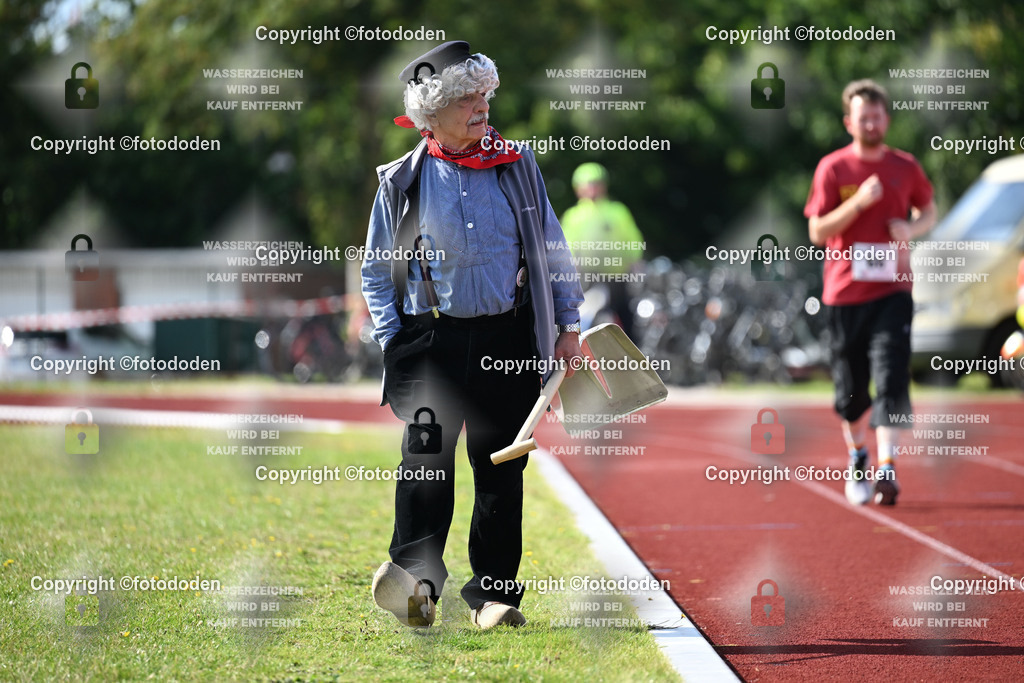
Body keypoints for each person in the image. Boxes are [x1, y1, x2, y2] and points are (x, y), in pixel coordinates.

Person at [360, 41, 584, 629]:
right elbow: (376, 270)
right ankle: (415, 584)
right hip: (430, 341)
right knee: (426, 462)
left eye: (484, 93)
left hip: (507, 338)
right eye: (466, 97)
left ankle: (491, 596)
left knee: (502, 468)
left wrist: (567, 325)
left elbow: (551, 248)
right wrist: (393, 338)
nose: (482, 106)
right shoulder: (400, 181)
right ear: (431, 114)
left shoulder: (517, 165)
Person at [804, 79, 936, 506]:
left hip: (893, 290)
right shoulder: (834, 169)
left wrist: (911, 229)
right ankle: (859, 457)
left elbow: (928, 209)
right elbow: (817, 231)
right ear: (849, 122)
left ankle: (888, 467)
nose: (872, 123)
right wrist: (858, 203)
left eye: (878, 116)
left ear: (887, 119)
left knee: (892, 375)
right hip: (844, 294)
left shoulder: (905, 166)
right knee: (851, 392)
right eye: (864, 117)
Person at [560, 163, 645, 338]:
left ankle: (631, 358)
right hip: (587, 280)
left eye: (596, 183)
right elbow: (567, 247)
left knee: (627, 323)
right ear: (578, 188)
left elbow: (633, 240)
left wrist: (636, 264)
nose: (592, 189)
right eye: (588, 184)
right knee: (586, 320)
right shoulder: (573, 216)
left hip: (617, 278)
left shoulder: (618, 211)